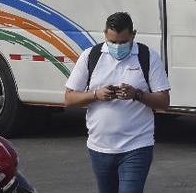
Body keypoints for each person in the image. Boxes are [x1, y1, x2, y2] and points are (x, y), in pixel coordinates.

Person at [65, 12, 170, 193]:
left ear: (133, 35)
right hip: (99, 147)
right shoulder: (91, 56)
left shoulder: (147, 56)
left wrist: (136, 94)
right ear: (105, 33)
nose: (117, 47)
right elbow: (69, 98)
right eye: (113, 42)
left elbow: (164, 102)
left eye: (123, 42)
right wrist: (96, 94)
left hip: (137, 147)